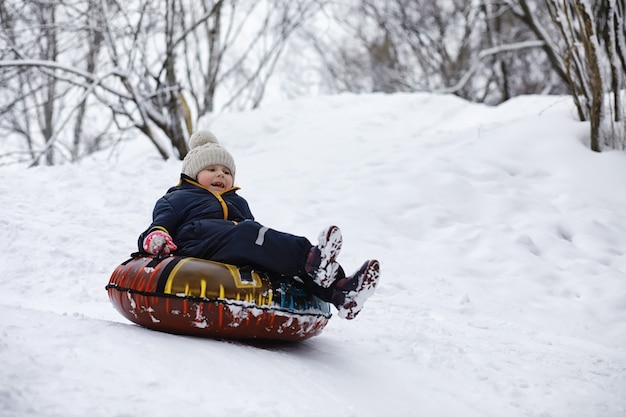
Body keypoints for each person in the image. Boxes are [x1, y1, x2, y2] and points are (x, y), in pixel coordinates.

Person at [138, 130, 380, 319]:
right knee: (247, 232)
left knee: (281, 258)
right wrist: (156, 236)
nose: (220, 175)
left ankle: (341, 291)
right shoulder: (178, 197)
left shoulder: (238, 201)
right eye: (211, 169)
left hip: (234, 247)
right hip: (198, 243)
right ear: (192, 174)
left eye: (226, 171)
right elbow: (159, 225)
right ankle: (313, 260)